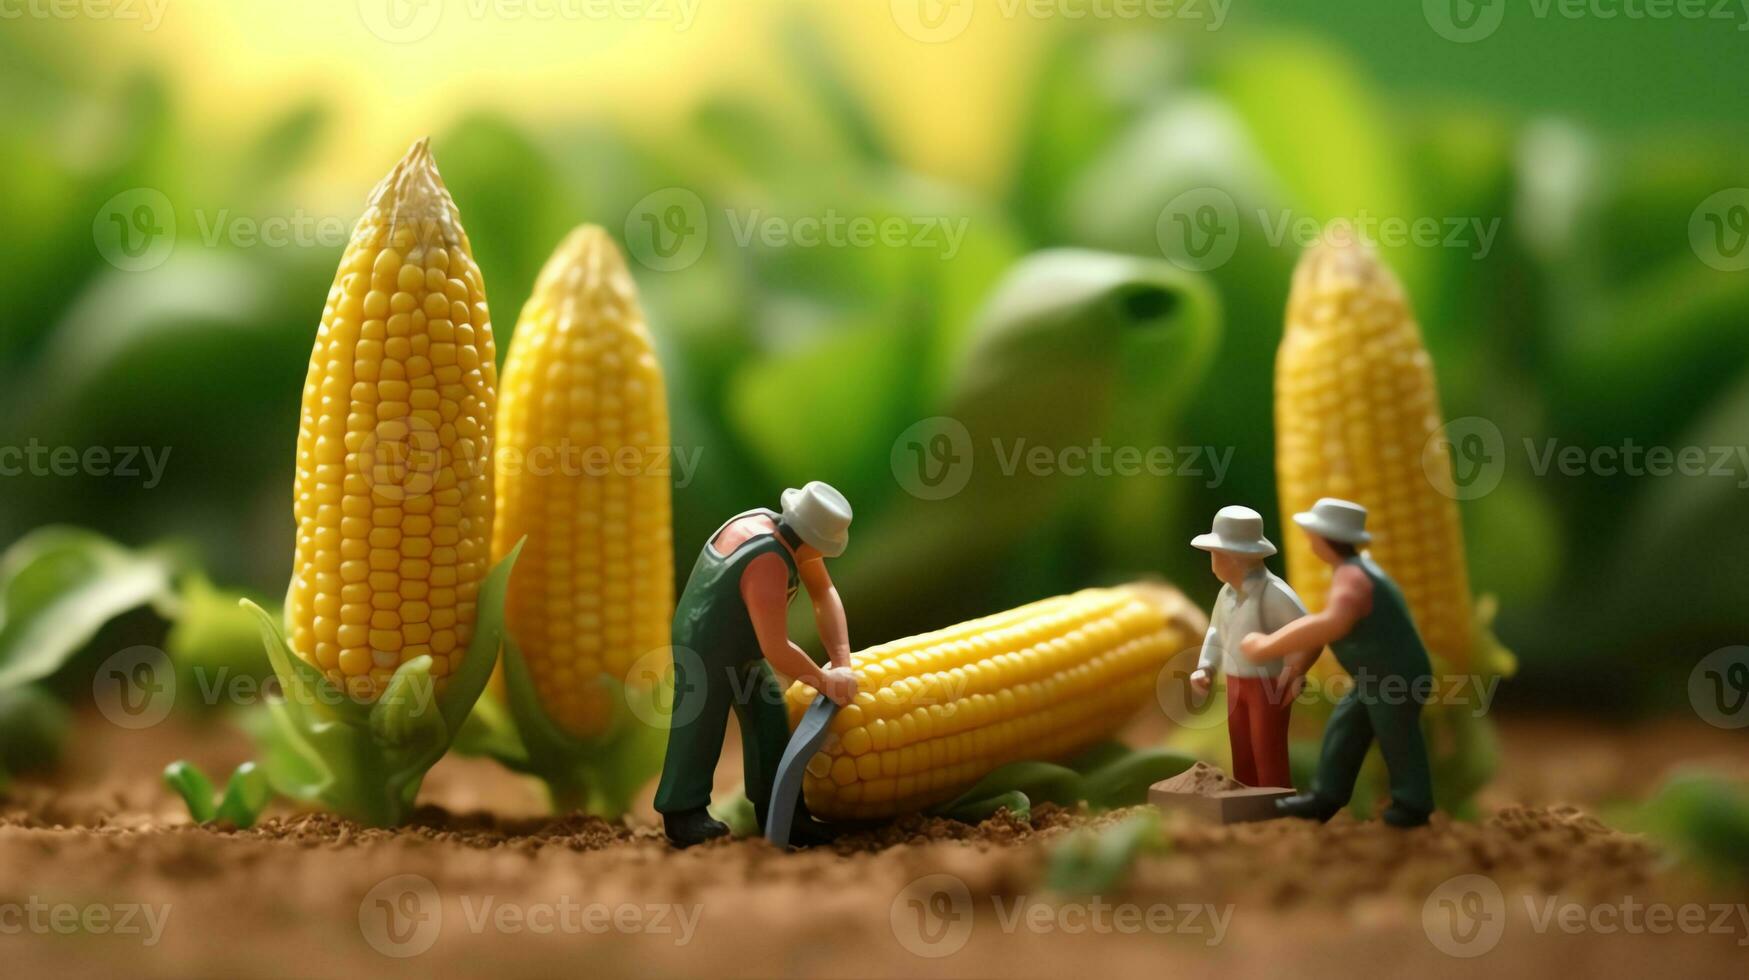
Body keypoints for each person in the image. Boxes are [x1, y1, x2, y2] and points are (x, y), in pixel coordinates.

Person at [654, 481, 860, 848]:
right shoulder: (768, 561)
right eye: (824, 547)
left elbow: (824, 594)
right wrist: (824, 681)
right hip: (705, 640)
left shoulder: (785, 535)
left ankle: (782, 812)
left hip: (741, 643)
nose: (823, 555)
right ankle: (683, 813)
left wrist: (842, 660)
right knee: (700, 721)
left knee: (768, 714)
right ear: (810, 537)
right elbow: (776, 647)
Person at [1240, 498, 1436, 828]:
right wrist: (1295, 667)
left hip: (1395, 677)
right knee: (1344, 728)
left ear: (1325, 538)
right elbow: (1324, 629)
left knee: (1397, 738)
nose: (1309, 541)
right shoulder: (1351, 572)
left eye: (1312, 534)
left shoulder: (1354, 579)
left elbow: (1331, 624)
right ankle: (1325, 796)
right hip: (1373, 678)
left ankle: (1413, 803)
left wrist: (1268, 645)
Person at [1189, 506, 1315, 789]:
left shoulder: (1274, 593)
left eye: (1216, 554)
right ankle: (1246, 798)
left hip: (1266, 682)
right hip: (1234, 681)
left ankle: (1275, 803)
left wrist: (1296, 671)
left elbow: (1309, 632)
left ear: (1235, 557)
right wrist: (1205, 667)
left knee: (1267, 747)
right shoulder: (1226, 593)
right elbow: (1215, 631)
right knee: (1241, 746)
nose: (1213, 561)